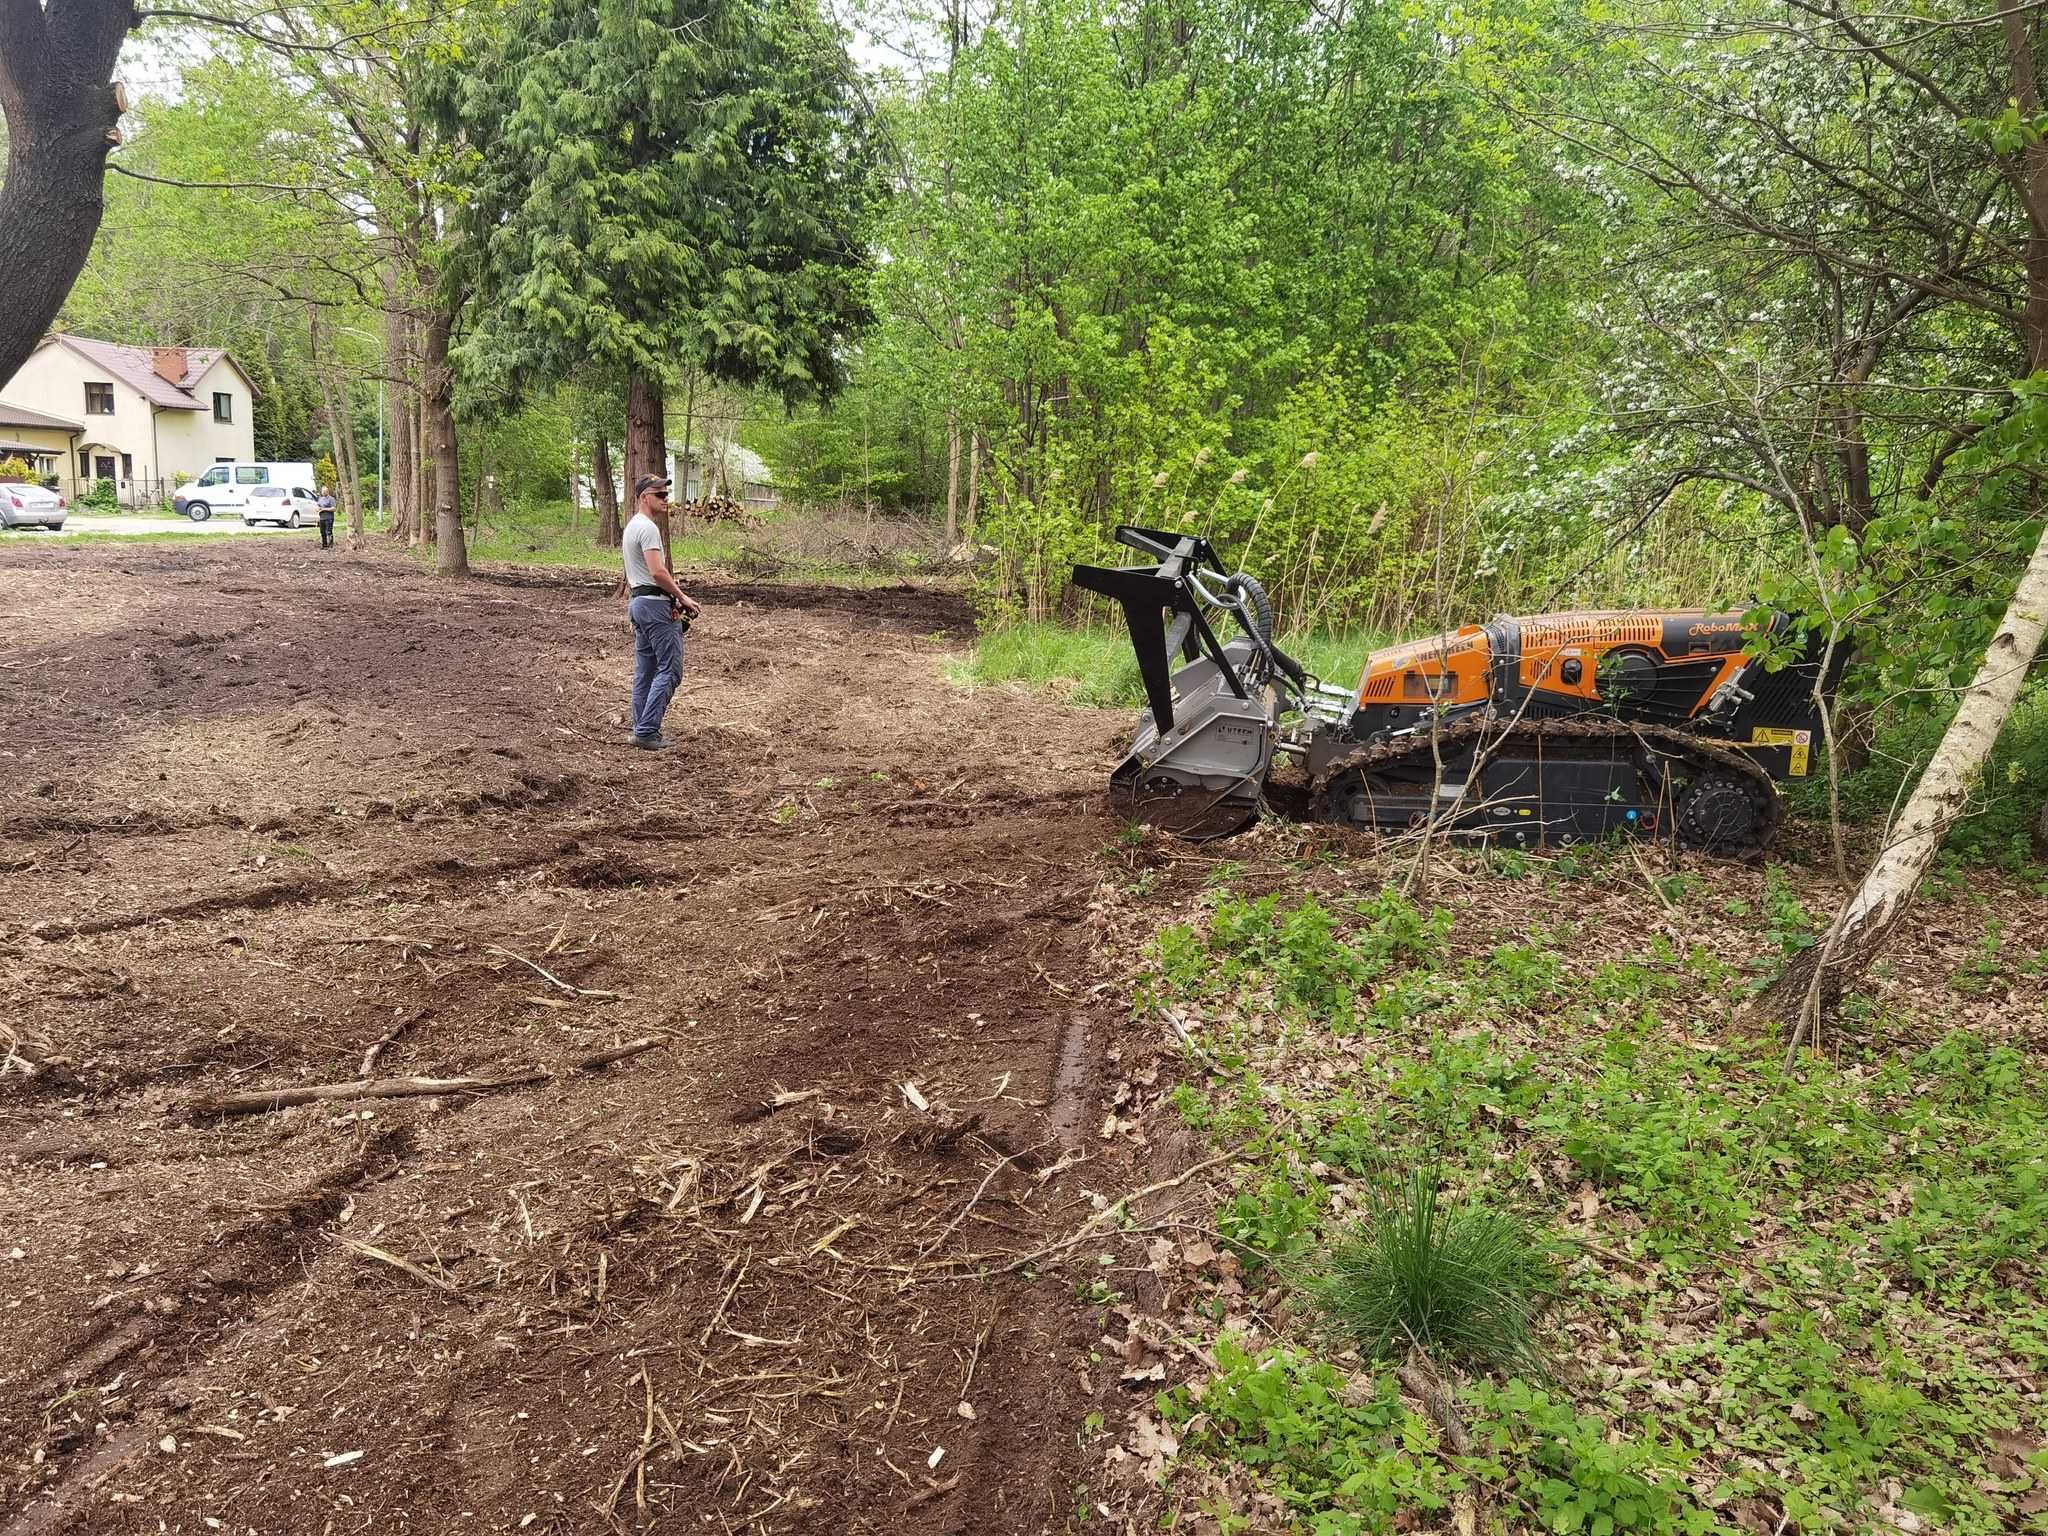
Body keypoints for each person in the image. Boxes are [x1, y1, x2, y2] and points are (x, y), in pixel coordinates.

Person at [621, 474, 703, 750]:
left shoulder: (632, 526)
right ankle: (646, 730)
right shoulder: (648, 529)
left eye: (666, 495)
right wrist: (681, 597)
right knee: (671, 669)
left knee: (645, 670)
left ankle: (639, 727)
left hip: (639, 604)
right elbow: (657, 572)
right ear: (645, 498)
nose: (665, 500)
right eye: (660, 495)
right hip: (654, 607)